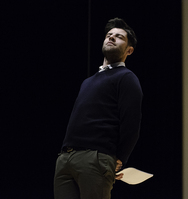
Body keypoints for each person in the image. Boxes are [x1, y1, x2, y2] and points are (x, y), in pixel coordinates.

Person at [54, 18, 142, 199]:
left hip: (96, 158)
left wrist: (119, 158)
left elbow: (131, 121)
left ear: (129, 50)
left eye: (119, 37)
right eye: (109, 35)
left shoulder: (126, 77)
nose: (111, 38)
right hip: (65, 158)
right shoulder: (88, 81)